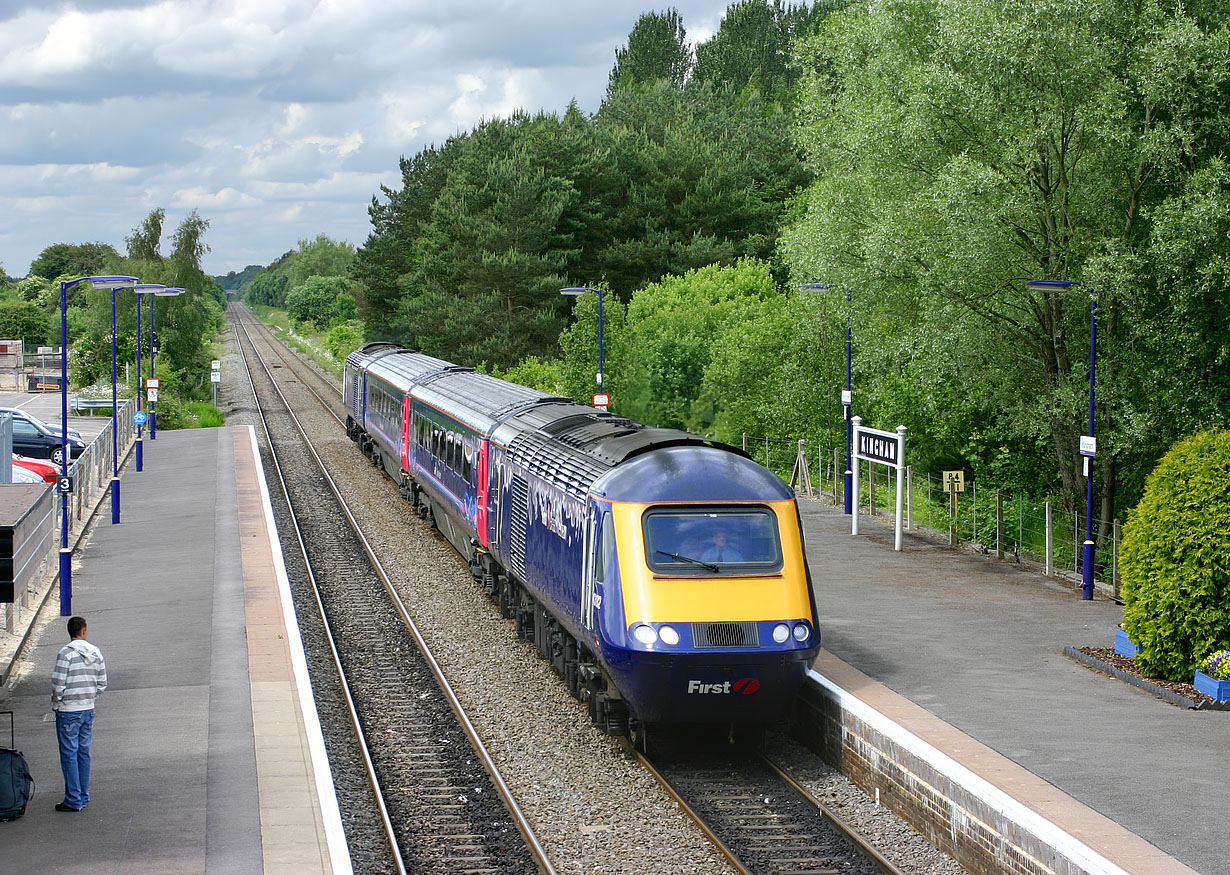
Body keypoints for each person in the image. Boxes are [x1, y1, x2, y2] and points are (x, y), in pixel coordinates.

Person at [51, 616, 107, 812]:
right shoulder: (96, 652)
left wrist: (57, 703)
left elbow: (58, 684)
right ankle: (83, 794)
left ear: (70, 632)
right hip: (88, 708)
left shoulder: (65, 654)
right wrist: (91, 697)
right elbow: (102, 683)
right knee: (83, 752)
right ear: (84, 630)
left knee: (69, 754)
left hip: (68, 711)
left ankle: (73, 799)